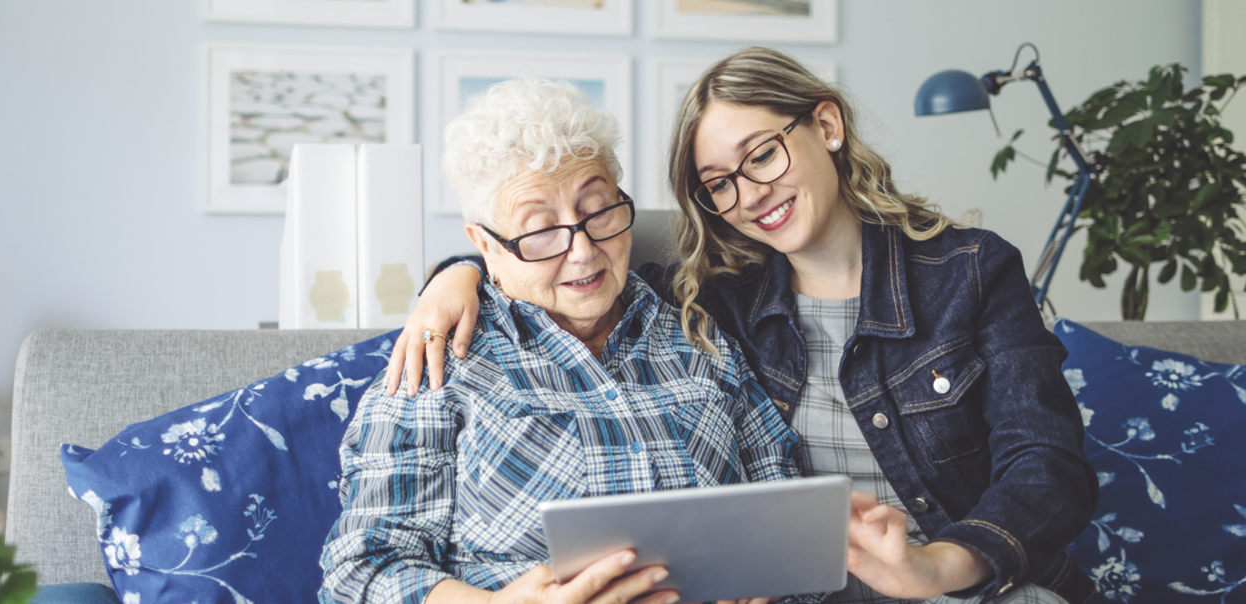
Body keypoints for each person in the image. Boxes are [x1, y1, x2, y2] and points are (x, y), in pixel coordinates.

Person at [387, 48, 1098, 604]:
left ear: (826, 125)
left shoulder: (969, 271)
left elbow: (1048, 464)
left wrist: (933, 566)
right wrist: (457, 275)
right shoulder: (714, 300)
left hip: (963, 579)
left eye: (761, 155)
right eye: (719, 184)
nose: (750, 194)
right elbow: (566, 269)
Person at [319, 76, 810, 604]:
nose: (582, 252)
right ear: (485, 244)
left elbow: (786, 509)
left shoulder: (699, 336)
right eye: (539, 231)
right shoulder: (439, 364)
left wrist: (770, 582)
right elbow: (360, 572)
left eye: (599, 211)